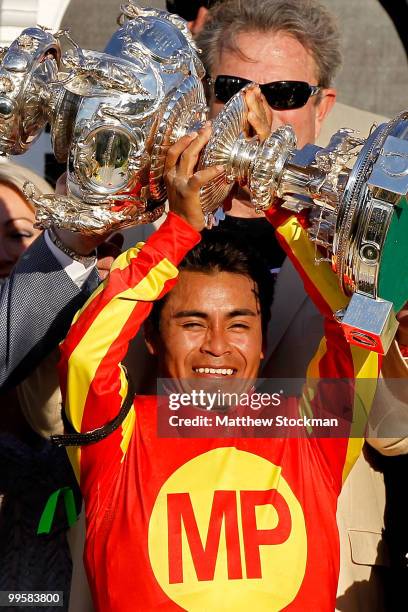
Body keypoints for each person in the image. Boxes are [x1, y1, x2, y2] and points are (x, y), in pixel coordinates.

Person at [58, 123, 380, 611]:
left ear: (261, 338)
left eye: (237, 325)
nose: (216, 346)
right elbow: (86, 353)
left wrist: (276, 199)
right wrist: (176, 235)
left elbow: (355, 334)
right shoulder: (115, 440)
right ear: (150, 335)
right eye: (192, 322)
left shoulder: (311, 436)